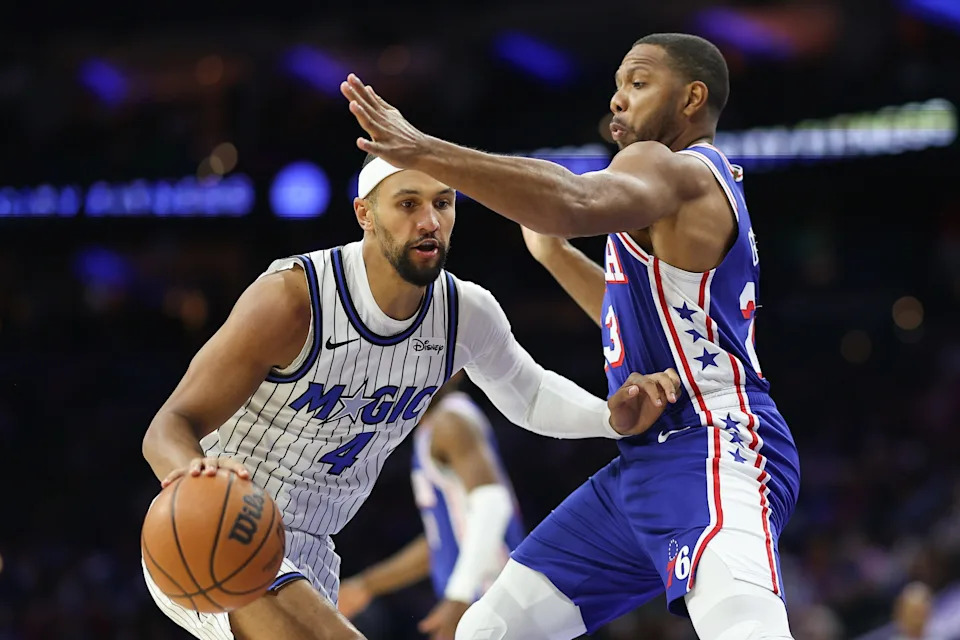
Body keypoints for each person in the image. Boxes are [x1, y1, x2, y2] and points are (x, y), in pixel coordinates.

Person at [341, 31, 801, 639]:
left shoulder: (672, 167)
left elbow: (572, 200)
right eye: (617, 85)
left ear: (693, 98)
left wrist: (423, 152)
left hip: (714, 445)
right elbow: (629, 314)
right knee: (488, 631)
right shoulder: (681, 195)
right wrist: (556, 256)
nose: (618, 99)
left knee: (745, 630)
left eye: (638, 83)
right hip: (647, 461)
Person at [141, 152, 682, 640]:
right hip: (220, 525)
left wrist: (609, 418)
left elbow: (532, 394)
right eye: (408, 204)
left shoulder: (465, 311)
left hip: (313, 550)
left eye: (443, 203)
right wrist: (192, 478)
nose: (430, 221)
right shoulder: (292, 298)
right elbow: (168, 425)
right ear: (365, 214)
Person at [337, 372, 525, 640]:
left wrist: (459, 595)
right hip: (480, 598)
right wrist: (366, 585)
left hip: (491, 597)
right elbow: (442, 540)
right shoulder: (430, 428)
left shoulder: (450, 421)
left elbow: (493, 506)